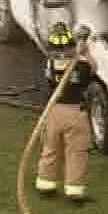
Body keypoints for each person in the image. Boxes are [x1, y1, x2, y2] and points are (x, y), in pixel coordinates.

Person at [34, 22, 94, 203]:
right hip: (75, 112)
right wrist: (85, 52)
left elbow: (55, 73)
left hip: (53, 111)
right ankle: (74, 189)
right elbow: (93, 70)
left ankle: (45, 183)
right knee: (76, 151)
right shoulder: (80, 67)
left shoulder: (50, 64)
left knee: (50, 148)